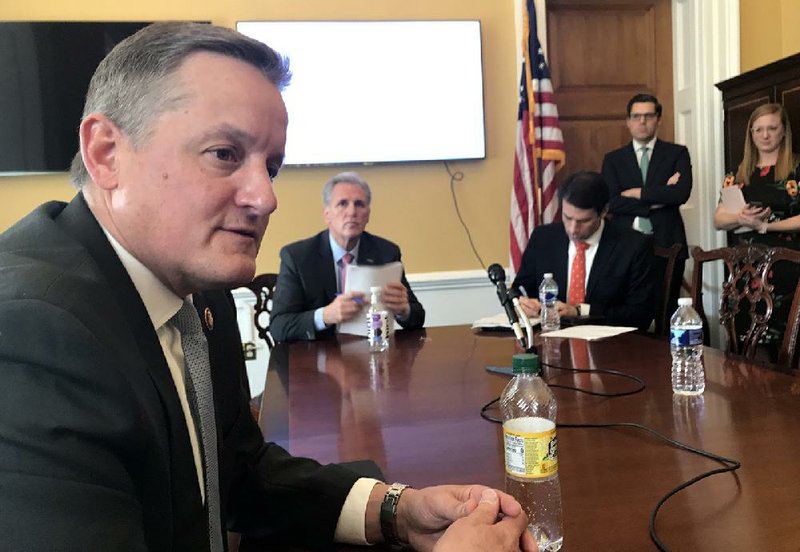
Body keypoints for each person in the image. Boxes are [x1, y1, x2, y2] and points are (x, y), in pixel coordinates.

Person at [0, 23, 535, 552]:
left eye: (271, 167)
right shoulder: (28, 331)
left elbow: (237, 470)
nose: (265, 198)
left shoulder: (198, 294)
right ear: (106, 152)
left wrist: (395, 510)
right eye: (225, 154)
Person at [270, 171, 425, 342]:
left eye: (359, 204)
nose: (352, 212)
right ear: (327, 214)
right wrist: (325, 315)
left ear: (368, 214)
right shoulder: (298, 257)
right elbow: (279, 326)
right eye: (343, 204)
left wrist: (404, 310)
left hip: (370, 353)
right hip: (318, 357)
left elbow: (417, 317)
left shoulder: (386, 252)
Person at [512, 171, 656, 330]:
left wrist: (579, 311)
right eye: (567, 218)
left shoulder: (633, 246)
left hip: (610, 345)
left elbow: (640, 314)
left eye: (583, 221)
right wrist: (522, 302)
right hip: (550, 339)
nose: (573, 229)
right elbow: (520, 288)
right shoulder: (543, 238)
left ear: (604, 211)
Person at [712, 102, 800, 360]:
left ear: (783, 132)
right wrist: (740, 216)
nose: (765, 135)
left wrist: (766, 226)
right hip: (746, 269)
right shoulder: (739, 174)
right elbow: (718, 219)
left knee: (787, 342)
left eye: (772, 128)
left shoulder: (796, 169)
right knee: (746, 341)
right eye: (758, 129)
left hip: (788, 265)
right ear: (751, 134)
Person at [601, 93, 693, 330]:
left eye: (648, 116)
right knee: (627, 314)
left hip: (667, 245)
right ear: (628, 121)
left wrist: (635, 194)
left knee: (668, 317)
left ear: (658, 119)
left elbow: (680, 194)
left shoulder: (677, 154)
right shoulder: (613, 160)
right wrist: (660, 194)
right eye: (636, 116)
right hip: (624, 246)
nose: (642, 121)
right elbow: (611, 203)